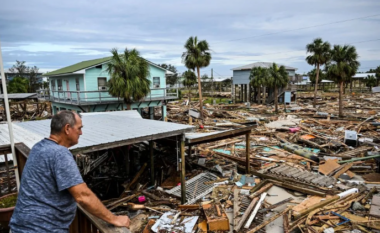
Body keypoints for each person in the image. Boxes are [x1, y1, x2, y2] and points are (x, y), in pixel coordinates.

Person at [10, 111, 130, 232]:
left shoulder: (39, 147)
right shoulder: (59, 153)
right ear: (67, 128)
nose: (81, 133)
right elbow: (83, 196)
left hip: (20, 226)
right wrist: (114, 219)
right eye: (79, 128)